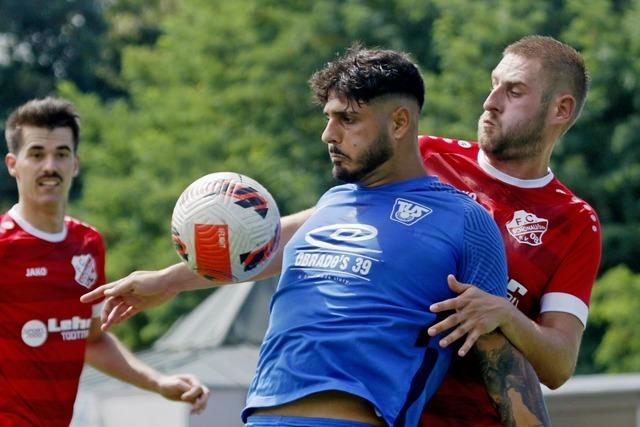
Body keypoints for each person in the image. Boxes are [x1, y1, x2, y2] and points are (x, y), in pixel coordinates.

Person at [83, 46, 550, 426]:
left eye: (347, 119)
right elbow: (254, 254)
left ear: (400, 123)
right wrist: (165, 281)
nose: (329, 133)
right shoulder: (330, 205)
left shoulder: (464, 221)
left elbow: (500, 359)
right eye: (328, 117)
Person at [417, 35, 602, 425]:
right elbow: (329, 220)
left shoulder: (575, 222)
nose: (490, 101)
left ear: (560, 109)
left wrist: (503, 313)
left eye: (513, 91)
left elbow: (559, 363)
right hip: (377, 410)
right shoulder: (425, 157)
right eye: (493, 85)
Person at [0, 97, 210, 427]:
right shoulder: (3, 246)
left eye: (61, 154)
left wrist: (158, 382)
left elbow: (91, 340)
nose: (50, 167)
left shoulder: (87, 243)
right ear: (13, 164)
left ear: (76, 164)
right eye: (37, 154)